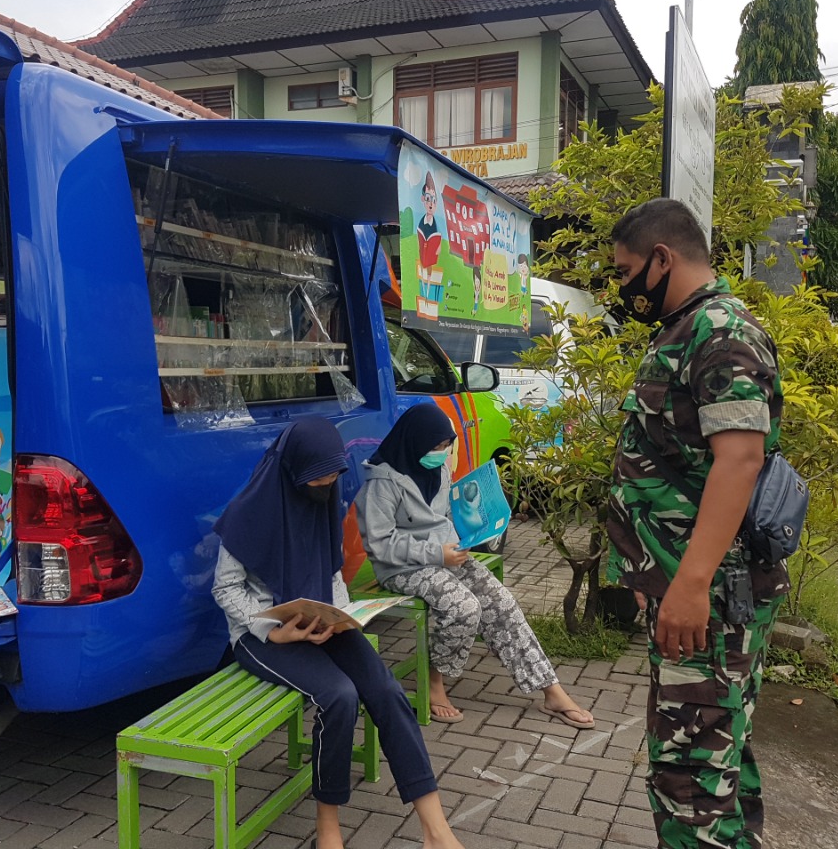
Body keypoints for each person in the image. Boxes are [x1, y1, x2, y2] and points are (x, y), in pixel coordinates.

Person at [606, 197, 787, 849]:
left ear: (662, 259)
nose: (622, 286)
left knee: (690, 778)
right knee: (717, 761)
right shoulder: (686, 331)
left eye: (626, 271)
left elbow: (739, 458)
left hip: (705, 603)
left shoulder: (719, 333)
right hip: (694, 598)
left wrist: (687, 583)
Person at [212, 418, 464, 849]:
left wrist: (343, 614)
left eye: (334, 475)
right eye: (320, 476)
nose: (328, 485)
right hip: (260, 637)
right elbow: (225, 588)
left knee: (385, 690)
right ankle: (328, 829)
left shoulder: (323, 501)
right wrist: (273, 630)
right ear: (294, 470)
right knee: (339, 695)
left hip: (319, 621)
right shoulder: (248, 513)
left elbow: (330, 574)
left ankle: (435, 829)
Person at [354, 403, 594, 729]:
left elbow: (443, 516)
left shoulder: (436, 468)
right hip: (401, 568)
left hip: (448, 555)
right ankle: (434, 684)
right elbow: (380, 545)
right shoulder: (381, 482)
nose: (441, 454)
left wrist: (470, 528)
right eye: (436, 447)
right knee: (464, 607)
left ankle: (550, 689)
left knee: (501, 602)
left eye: (445, 447)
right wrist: (437, 554)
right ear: (414, 441)